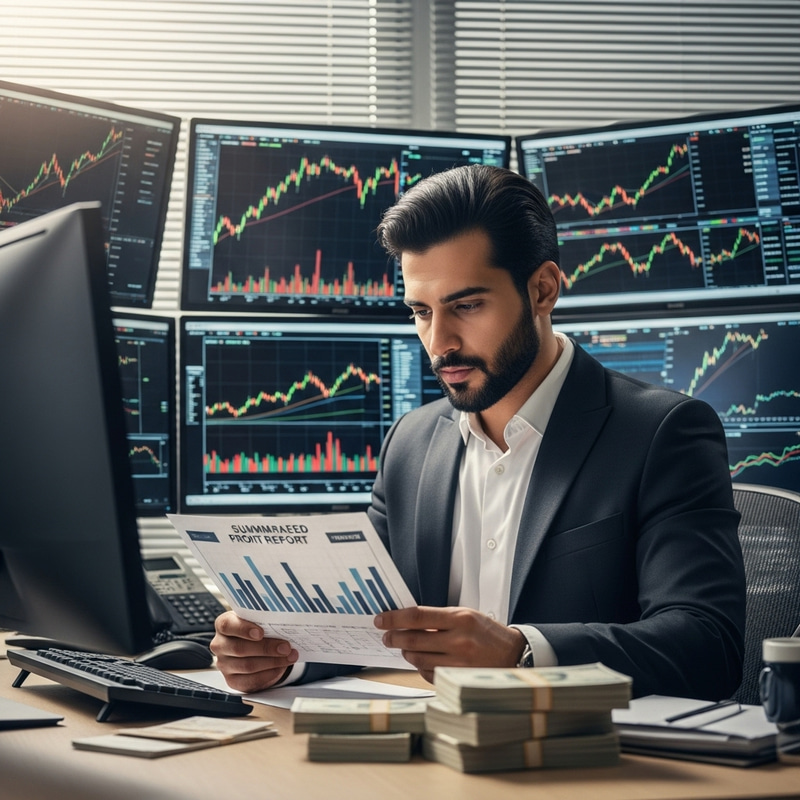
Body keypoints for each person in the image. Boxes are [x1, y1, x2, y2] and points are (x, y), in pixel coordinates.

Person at [211, 164, 746, 700]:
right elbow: (367, 629)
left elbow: (708, 647)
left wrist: (522, 652)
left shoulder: (662, 433)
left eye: (466, 306)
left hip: (585, 761)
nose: (439, 341)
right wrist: (279, 657)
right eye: (421, 311)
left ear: (542, 289)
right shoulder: (412, 443)